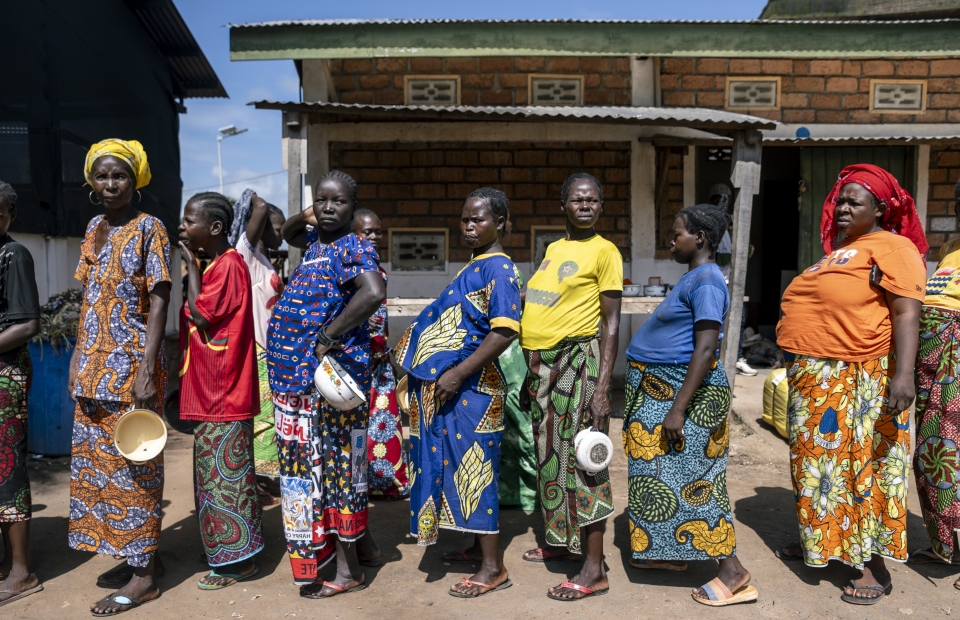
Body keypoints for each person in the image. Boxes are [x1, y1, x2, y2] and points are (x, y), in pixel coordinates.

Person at [777, 163, 926, 605]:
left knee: (859, 468)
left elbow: (905, 312)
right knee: (815, 468)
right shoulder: (843, 249)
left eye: (853, 202)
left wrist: (903, 375)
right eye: (839, 200)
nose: (841, 207)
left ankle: (870, 566)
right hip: (816, 378)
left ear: (878, 209)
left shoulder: (894, 247)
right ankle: (822, 541)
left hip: (857, 376)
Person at [623, 203, 756, 607]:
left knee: (694, 481)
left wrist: (678, 409)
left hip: (682, 395)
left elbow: (704, 349)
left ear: (699, 238)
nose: (671, 239)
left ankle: (733, 572)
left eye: (677, 232)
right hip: (659, 390)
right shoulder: (695, 278)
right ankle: (673, 554)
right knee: (660, 474)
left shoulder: (708, 282)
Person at [395, 187, 521, 597]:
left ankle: (493, 568)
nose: (468, 226)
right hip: (459, 387)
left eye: (478, 219)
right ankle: (472, 545)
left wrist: (456, 373)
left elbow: (503, 331)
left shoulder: (498, 269)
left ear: (500, 223)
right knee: (454, 464)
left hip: (474, 389)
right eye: (465, 218)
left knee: (475, 470)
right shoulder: (477, 263)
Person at [267, 170, 386, 597]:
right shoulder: (316, 243)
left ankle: (349, 570)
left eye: (339, 202)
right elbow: (288, 230)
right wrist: (314, 211)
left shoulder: (353, 247)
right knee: (307, 477)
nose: (329, 208)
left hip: (327, 388)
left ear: (353, 208)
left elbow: (372, 293)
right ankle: (333, 559)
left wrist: (327, 335)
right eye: (322, 200)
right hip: (295, 387)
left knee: (338, 475)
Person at [67, 139, 171, 616]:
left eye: (120, 175)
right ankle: (134, 555)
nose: (111, 184)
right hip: (91, 367)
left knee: (136, 468)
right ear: (91, 180)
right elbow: (88, 299)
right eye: (102, 175)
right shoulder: (94, 228)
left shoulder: (150, 228)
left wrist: (148, 367)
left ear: (135, 180)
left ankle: (145, 577)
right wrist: (75, 357)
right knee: (99, 467)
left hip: (131, 367)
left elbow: (160, 300)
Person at [519, 172, 621, 601]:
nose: (586, 205)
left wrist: (602, 389)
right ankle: (562, 542)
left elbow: (611, 323)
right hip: (545, 370)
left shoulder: (605, 251)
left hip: (578, 364)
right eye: (578, 199)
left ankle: (594, 568)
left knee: (584, 460)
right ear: (563, 204)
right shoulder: (554, 249)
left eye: (593, 200)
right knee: (550, 459)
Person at [179, 192, 263, 589]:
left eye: (188, 220)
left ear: (214, 228)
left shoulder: (229, 265)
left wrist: (190, 267)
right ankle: (222, 549)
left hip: (224, 393)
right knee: (211, 480)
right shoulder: (217, 265)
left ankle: (239, 561)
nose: (182, 226)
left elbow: (201, 313)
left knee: (226, 481)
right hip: (210, 392)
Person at [911, 178, 960, 579]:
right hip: (931, 366)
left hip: (955, 367)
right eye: (959, 202)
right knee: (931, 456)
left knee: (952, 455)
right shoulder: (949, 251)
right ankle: (947, 547)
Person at [229, 189, 287, 504]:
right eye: (276, 227)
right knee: (262, 422)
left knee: (268, 421)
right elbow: (260, 206)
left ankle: (261, 483)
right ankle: (257, 484)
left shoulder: (263, 258)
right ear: (261, 225)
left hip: (270, 349)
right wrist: (254, 201)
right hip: (258, 348)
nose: (282, 233)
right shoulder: (246, 253)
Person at [0, 181, 42, 607]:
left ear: (10, 215)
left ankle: (20, 571)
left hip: (4, 374)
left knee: (6, 468)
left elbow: (28, 324)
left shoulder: (13, 254)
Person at [352, 209, 410, 500]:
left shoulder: (377, 267)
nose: (375, 236)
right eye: (367, 232)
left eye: (378, 231)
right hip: (355, 362)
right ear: (354, 235)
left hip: (379, 361)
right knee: (358, 426)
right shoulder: (349, 268)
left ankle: (388, 482)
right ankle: (358, 482)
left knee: (384, 424)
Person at [709, 184, 756, 377]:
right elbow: (715, 256)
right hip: (715, 280)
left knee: (739, 319)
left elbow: (748, 248)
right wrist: (737, 255)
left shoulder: (732, 222)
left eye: (726, 199)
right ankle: (714, 360)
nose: (723, 202)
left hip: (733, 281)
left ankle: (737, 359)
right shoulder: (710, 223)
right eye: (719, 198)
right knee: (715, 323)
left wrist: (745, 251)